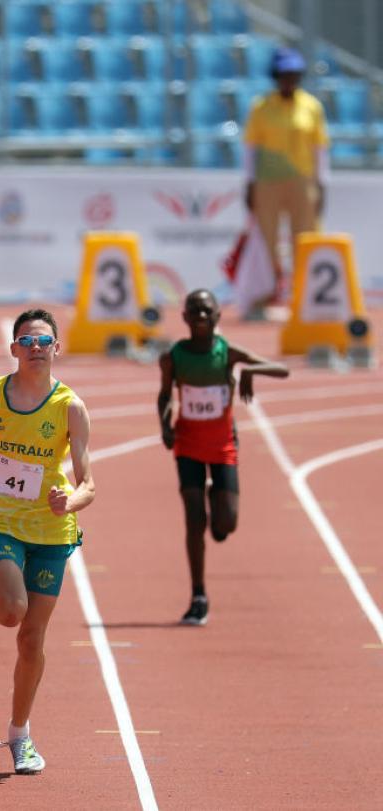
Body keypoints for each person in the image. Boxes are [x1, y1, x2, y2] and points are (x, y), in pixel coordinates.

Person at [0, 309, 95, 775]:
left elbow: (88, 483)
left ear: (56, 347)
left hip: (50, 528)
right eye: (26, 342)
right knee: (12, 609)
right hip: (1, 518)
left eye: (42, 340)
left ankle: (20, 735)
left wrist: (67, 503)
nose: (34, 348)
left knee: (31, 639)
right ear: (13, 350)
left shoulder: (70, 407)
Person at [157, 289, 289, 626]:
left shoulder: (226, 352)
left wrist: (248, 371)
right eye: (195, 311)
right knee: (193, 518)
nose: (201, 316)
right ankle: (198, 593)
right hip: (187, 444)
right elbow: (164, 397)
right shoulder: (174, 356)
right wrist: (165, 423)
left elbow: (282, 369)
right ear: (185, 317)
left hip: (222, 445)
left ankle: (218, 501)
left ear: (217, 316)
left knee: (225, 523)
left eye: (207, 311)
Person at [243, 47, 330, 298]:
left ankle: (305, 292)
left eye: (294, 74)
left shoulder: (312, 107)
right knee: (266, 238)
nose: (289, 80)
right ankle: (268, 292)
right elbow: (250, 149)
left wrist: (322, 184)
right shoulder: (261, 107)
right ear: (275, 76)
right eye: (284, 74)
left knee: (305, 236)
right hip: (267, 181)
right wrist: (249, 184)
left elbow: (319, 149)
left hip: (302, 180)